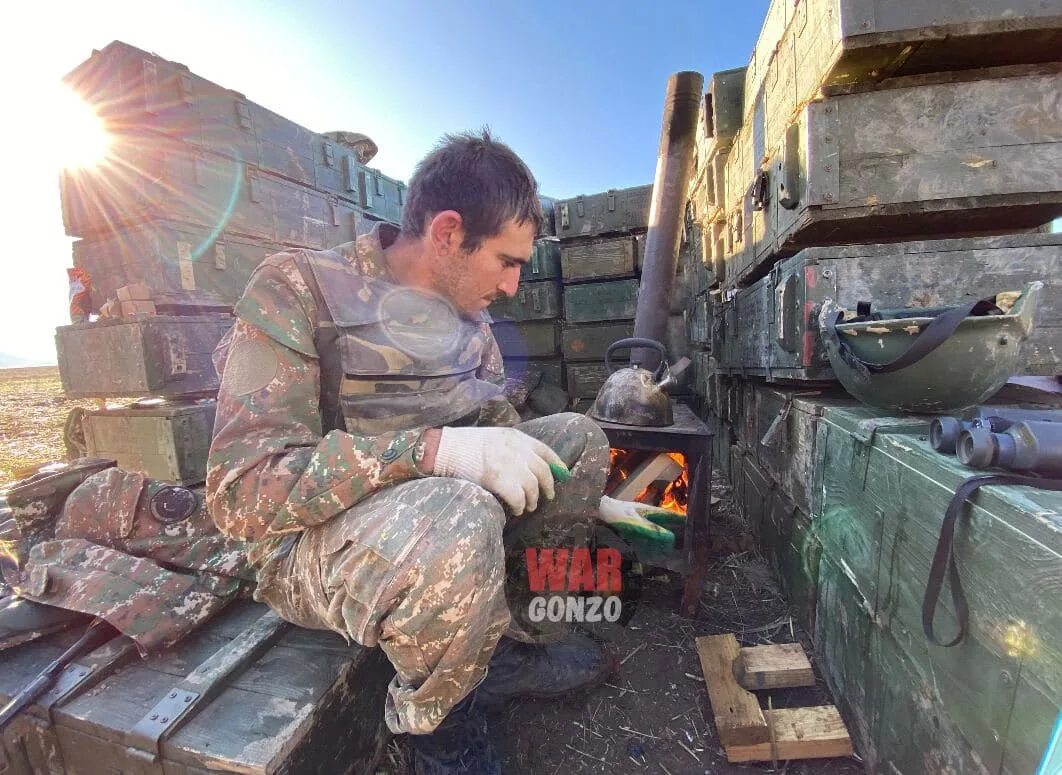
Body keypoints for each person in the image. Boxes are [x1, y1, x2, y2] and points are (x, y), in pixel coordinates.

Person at [206, 130, 641, 773]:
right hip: (310, 544)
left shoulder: (469, 315)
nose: (515, 286)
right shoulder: (299, 290)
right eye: (506, 261)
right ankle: (437, 731)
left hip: (432, 512)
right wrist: (434, 451)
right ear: (446, 234)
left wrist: (593, 497)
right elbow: (241, 493)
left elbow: (495, 425)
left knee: (576, 441)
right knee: (458, 515)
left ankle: (501, 647)